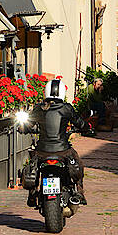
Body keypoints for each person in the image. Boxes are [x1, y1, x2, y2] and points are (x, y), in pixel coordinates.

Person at [20, 79, 90, 207]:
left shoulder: (39, 108)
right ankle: (79, 191)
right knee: (78, 163)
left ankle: (32, 193)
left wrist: (23, 128)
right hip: (63, 151)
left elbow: (27, 125)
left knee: (33, 164)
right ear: (62, 92)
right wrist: (86, 127)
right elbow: (80, 122)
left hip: (42, 152)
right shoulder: (66, 108)